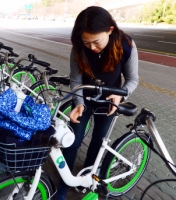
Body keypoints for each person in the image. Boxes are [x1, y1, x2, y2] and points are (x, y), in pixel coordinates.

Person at [56, 6, 139, 200]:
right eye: (86, 42)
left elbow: (133, 79)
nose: (92, 48)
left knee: (99, 141)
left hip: (109, 102)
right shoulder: (78, 47)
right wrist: (78, 103)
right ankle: (62, 186)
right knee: (72, 141)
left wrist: (121, 96)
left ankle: (87, 176)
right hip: (84, 99)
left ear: (110, 30)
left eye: (96, 42)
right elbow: (76, 79)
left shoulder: (126, 45)